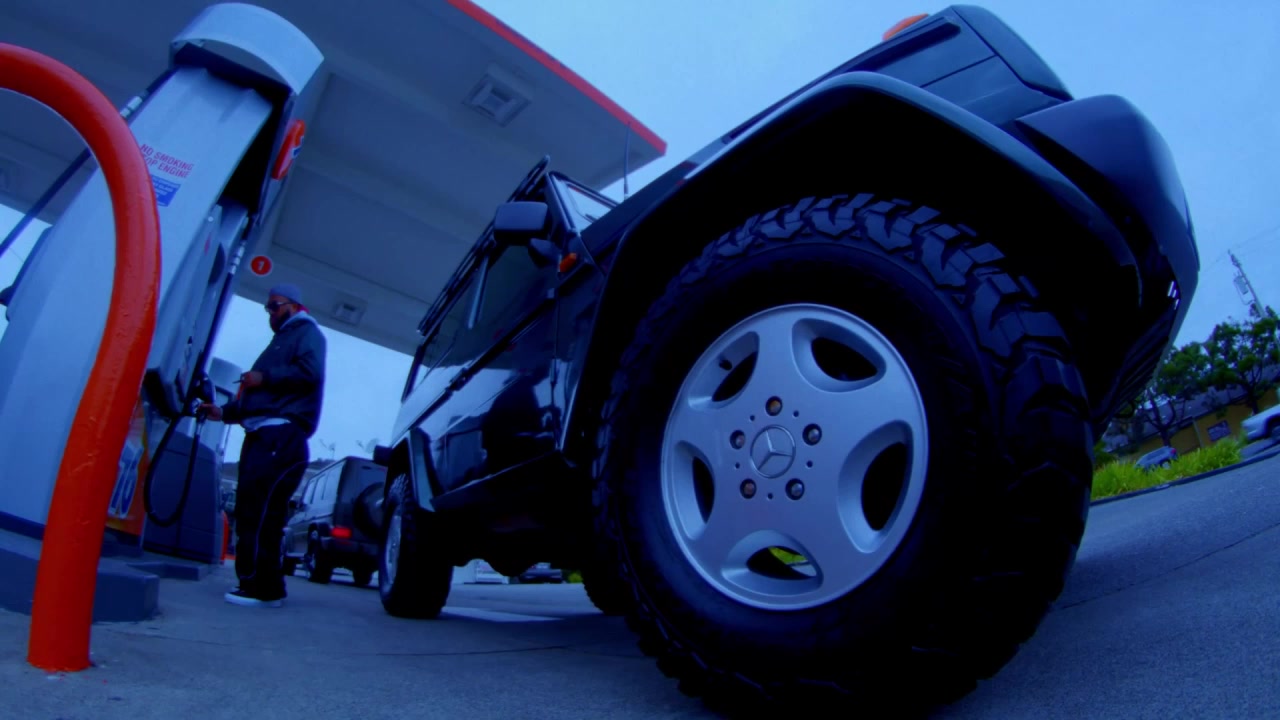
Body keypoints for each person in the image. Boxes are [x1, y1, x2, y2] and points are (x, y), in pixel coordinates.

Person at [202, 283, 326, 608]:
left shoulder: (307, 333)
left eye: (274, 305)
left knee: (259, 511)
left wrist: (265, 377)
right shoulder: (282, 340)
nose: (270, 312)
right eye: (267, 307)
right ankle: (263, 585)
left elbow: (310, 373)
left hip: (279, 436)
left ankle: (259, 587)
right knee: (257, 511)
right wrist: (223, 412)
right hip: (264, 436)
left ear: (294, 306)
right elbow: (261, 399)